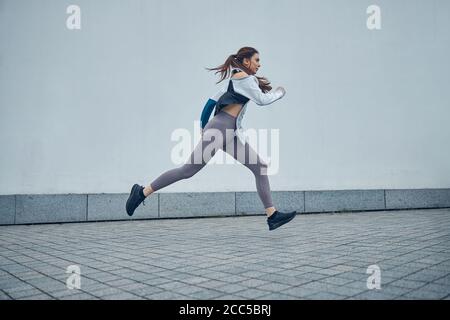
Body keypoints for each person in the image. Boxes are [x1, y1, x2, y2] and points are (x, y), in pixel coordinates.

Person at [126, 47, 296, 231]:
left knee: (260, 166)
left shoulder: (235, 80)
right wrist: (280, 92)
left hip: (229, 131)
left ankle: (272, 215)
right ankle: (141, 192)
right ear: (246, 61)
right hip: (221, 128)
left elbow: (210, 103)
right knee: (187, 170)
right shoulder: (246, 79)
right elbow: (263, 100)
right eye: (256, 60)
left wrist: (203, 126)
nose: (259, 64)